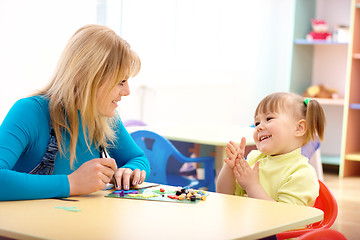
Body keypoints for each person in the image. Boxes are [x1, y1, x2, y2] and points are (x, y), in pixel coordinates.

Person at [0, 24, 150, 201]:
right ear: (88, 77)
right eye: (121, 81)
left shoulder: (105, 118)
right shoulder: (30, 111)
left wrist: (130, 170)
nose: (127, 91)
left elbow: (138, 157)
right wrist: (71, 183)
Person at [216, 92, 325, 206]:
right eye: (257, 122)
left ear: (299, 128)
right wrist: (230, 167)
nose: (259, 127)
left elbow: (287, 218)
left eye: (269, 118)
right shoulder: (254, 159)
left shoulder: (301, 173)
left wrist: (252, 186)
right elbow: (224, 195)